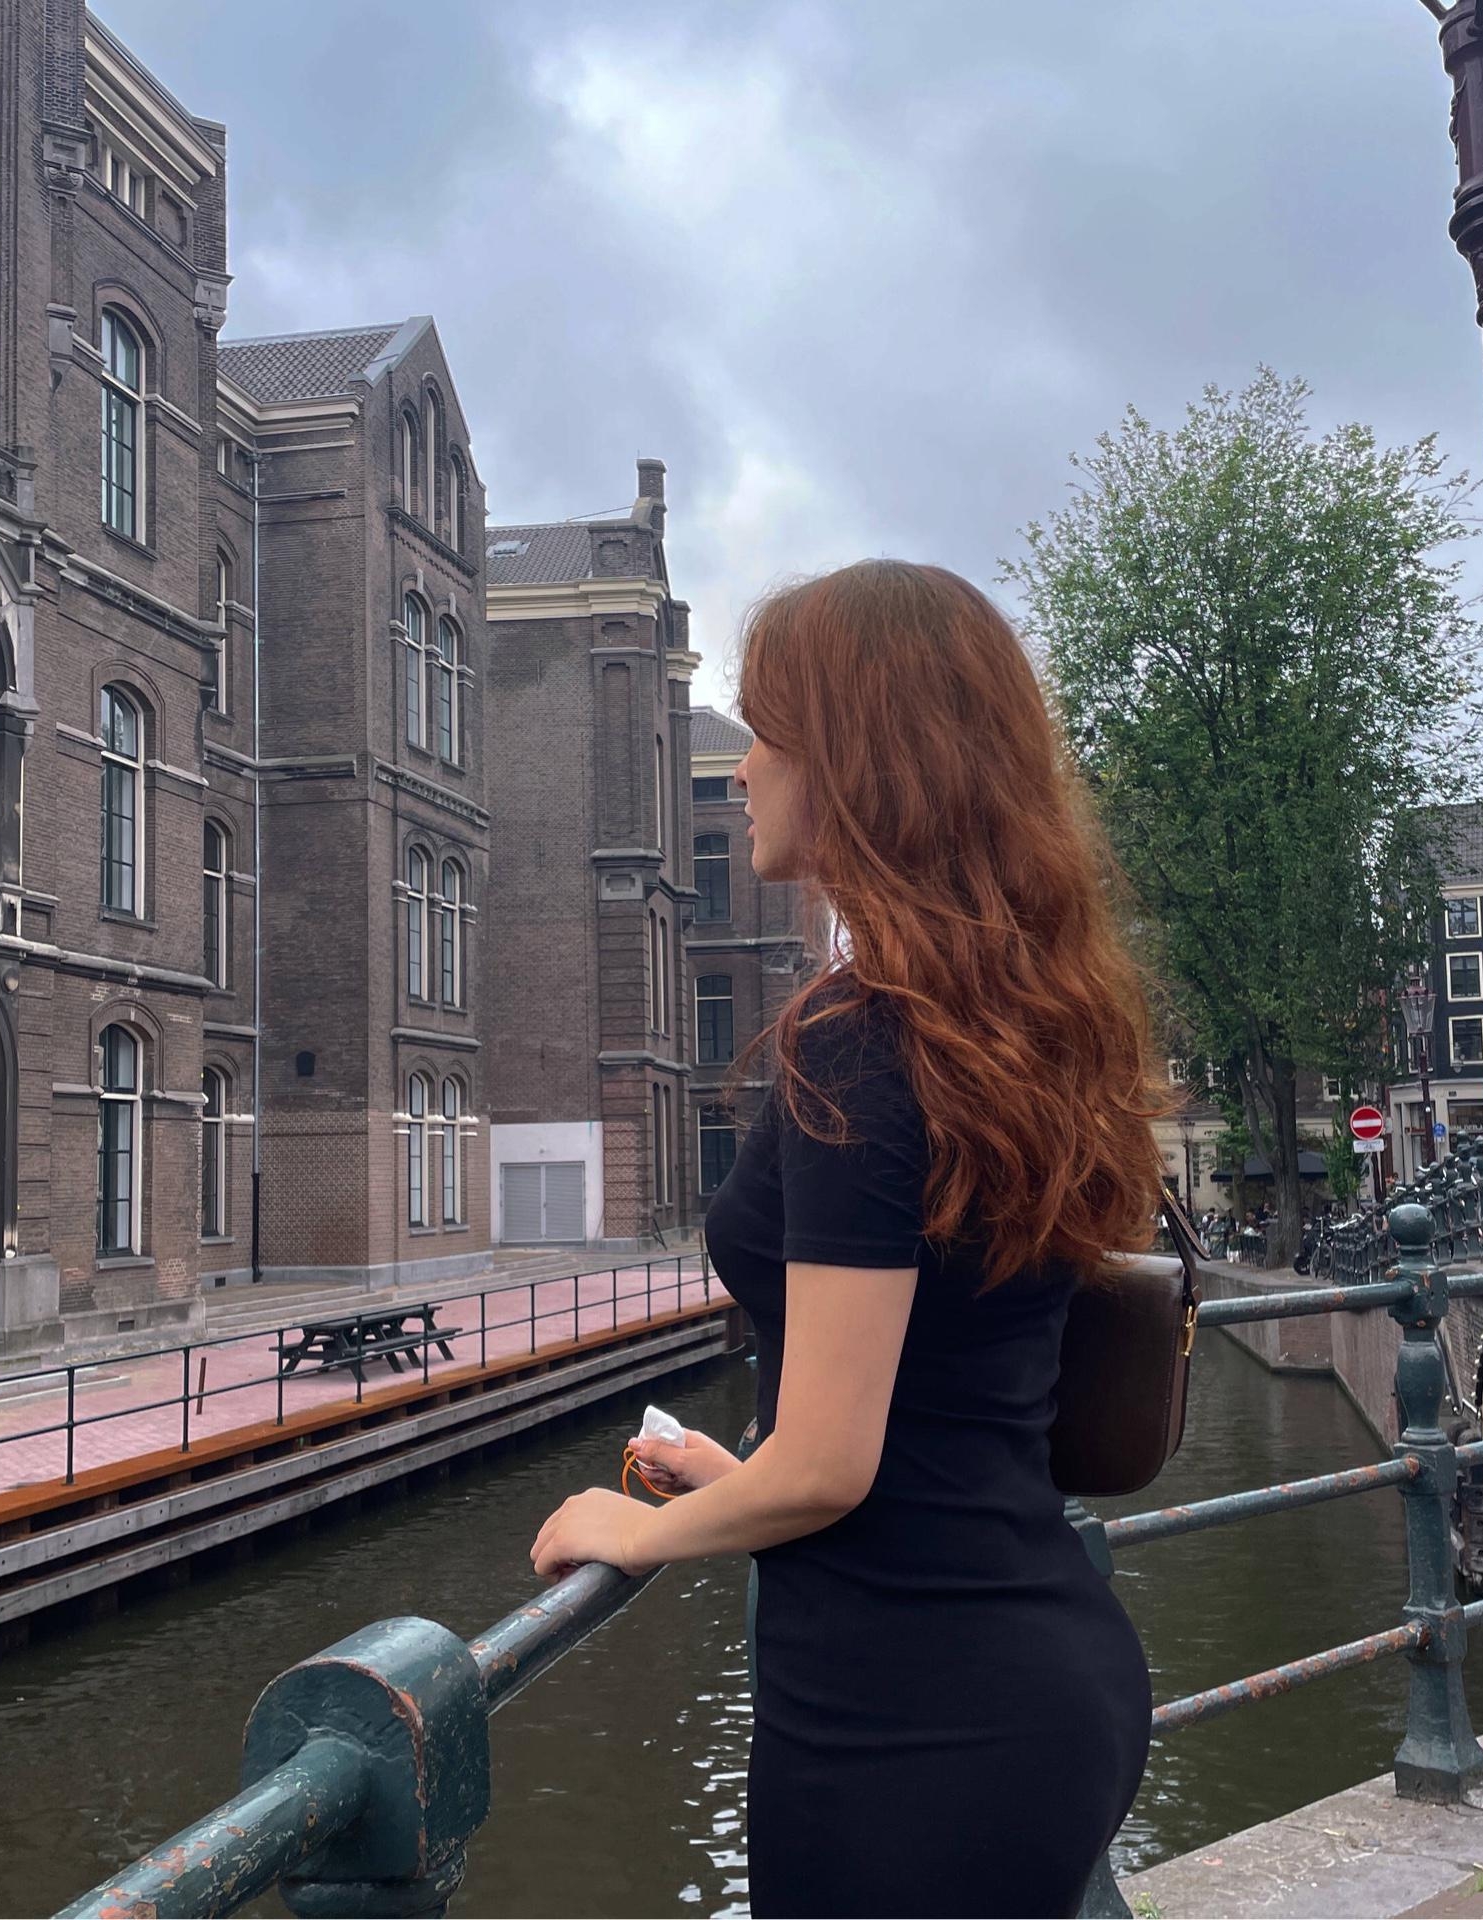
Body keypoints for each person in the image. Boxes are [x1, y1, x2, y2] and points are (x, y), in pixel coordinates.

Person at [530, 561, 1163, 1919]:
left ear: (862, 766)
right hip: (1037, 1670)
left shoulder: (858, 1040)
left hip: (907, 1723)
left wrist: (637, 1532)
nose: (745, 767)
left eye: (769, 734)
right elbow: (946, 1380)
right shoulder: (1011, 1024)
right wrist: (733, 1477)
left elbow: (830, 1464)